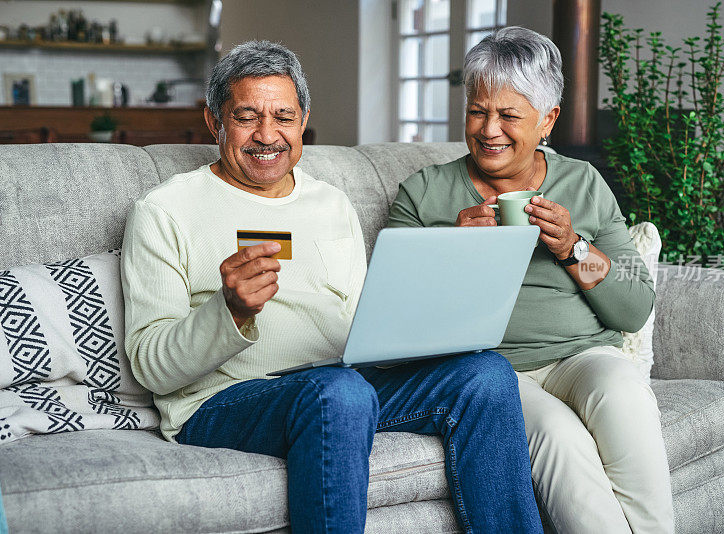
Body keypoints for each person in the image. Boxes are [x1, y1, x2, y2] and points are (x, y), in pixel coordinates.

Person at [121, 40, 542, 534]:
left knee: (485, 374)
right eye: (246, 116)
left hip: (343, 381)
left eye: (283, 116)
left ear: (303, 123)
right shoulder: (164, 211)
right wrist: (229, 312)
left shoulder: (331, 204)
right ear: (215, 121)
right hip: (224, 400)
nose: (267, 135)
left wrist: (418, 312)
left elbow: (361, 330)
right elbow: (151, 367)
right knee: (338, 392)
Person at [388, 27, 674, 534]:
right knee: (559, 436)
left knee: (624, 392)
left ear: (548, 120)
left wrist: (572, 248)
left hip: (582, 356)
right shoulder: (422, 195)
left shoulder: (583, 182)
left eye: (509, 115)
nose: (489, 130)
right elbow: (392, 326)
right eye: (478, 111)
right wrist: (453, 252)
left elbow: (633, 308)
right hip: (491, 373)